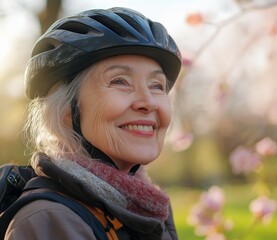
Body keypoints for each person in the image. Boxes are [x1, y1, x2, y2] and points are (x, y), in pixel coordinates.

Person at [5, 7, 181, 240]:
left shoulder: (149, 206)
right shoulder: (51, 220)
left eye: (157, 85)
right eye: (120, 81)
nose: (148, 102)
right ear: (66, 111)